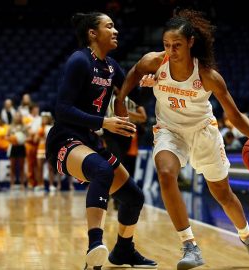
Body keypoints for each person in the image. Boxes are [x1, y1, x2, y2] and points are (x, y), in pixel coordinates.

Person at [115, 9, 249, 269]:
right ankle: (190, 246)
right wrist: (120, 99)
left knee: (222, 193)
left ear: (191, 43)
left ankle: (248, 237)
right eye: (166, 45)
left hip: (203, 132)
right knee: (165, 173)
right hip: (169, 130)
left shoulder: (207, 75)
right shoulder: (154, 62)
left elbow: (235, 114)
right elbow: (134, 72)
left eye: (177, 46)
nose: (170, 51)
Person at [45, 12, 156, 269]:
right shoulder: (79, 61)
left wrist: (149, 82)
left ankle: (123, 251)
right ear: (92, 33)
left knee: (133, 197)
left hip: (89, 140)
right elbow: (61, 109)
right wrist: (103, 122)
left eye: (115, 25)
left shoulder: (111, 66)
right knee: (102, 171)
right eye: (109, 26)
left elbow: (134, 93)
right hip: (64, 139)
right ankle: (94, 245)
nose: (116, 30)